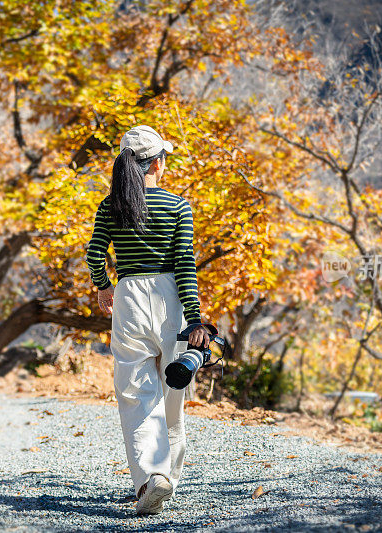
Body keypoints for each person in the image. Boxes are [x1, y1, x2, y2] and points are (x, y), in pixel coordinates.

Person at [86, 125, 211, 516]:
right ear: (157, 162)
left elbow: (94, 254)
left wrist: (105, 287)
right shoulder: (178, 206)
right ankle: (167, 480)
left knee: (136, 394)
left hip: (129, 300)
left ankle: (149, 479)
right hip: (170, 298)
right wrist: (195, 321)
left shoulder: (111, 206)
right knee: (173, 392)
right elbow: (186, 267)